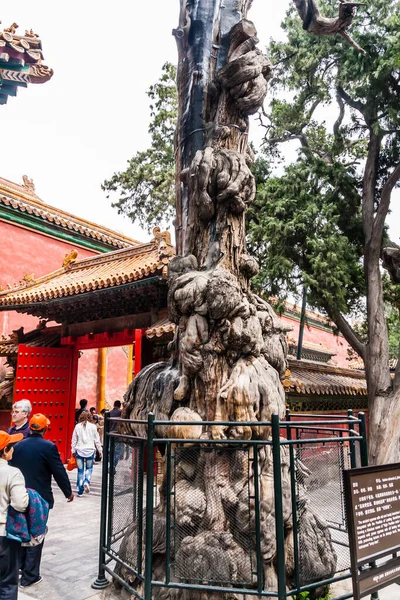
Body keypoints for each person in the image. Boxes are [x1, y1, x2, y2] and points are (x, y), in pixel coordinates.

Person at [10, 413, 74, 589]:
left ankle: (21, 568)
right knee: (36, 534)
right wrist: (68, 492)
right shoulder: (49, 447)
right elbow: (59, 472)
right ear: (45, 428)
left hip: (19, 495)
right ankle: (30, 576)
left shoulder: (18, 445)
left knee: (21, 532)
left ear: (30, 427)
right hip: (39, 498)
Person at [0, 430, 29, 599]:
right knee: (7, 583)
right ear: (4, 451)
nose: (13, 450)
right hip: (4, 534)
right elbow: (20, 503)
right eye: (11, 447)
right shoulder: (13, 473)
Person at [71, 411, 102, 497]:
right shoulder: (93, 427)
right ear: (90, 417)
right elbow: (97, 440)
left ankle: (80, 491)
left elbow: (74, 440)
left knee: (80, 471)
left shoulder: (77, 427)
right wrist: (100, 450)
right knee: (89, 469)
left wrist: (73, 451)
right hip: (90, 450)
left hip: (80, 450)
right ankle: (86, 481)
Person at [109, 401, 122, 473]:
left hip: (110, 433)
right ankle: (113, 466)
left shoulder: (109, 412)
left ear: (113, 405)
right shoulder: (121, 413)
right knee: (117, 452)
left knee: (111, 451)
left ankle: (111, 466)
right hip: (118, 433)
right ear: (120, 406)